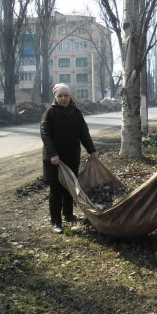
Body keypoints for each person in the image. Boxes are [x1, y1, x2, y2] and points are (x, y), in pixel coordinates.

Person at [40, 83, 97, 234]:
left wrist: (91, 150)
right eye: (60, 96)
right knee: (56, 191)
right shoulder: (49, 113)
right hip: (54, 160)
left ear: (70, 96)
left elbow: (83, 133)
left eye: (66, 95)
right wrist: (53, 154)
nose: (63, 98)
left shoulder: (76, 112)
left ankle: (68, 214)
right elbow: (45, 135)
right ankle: (56, 222)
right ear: (55, 97)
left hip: (71, 156)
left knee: (70, 187)